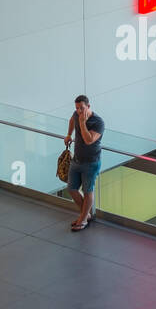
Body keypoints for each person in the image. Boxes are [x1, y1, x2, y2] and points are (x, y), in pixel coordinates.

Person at [64, 94, 104, 231]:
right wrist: (69, 134)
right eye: (77, 108)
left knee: (88, 191)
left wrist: (82, 123)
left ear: (88, 106)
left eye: (82, 108)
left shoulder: (98, 122)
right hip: (77, 160)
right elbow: (71, 120)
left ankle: (83, 219)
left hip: (91, 162)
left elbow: (89, 140)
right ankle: (85, 215)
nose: (79, 111)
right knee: (71, 188)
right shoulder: (76, 114)